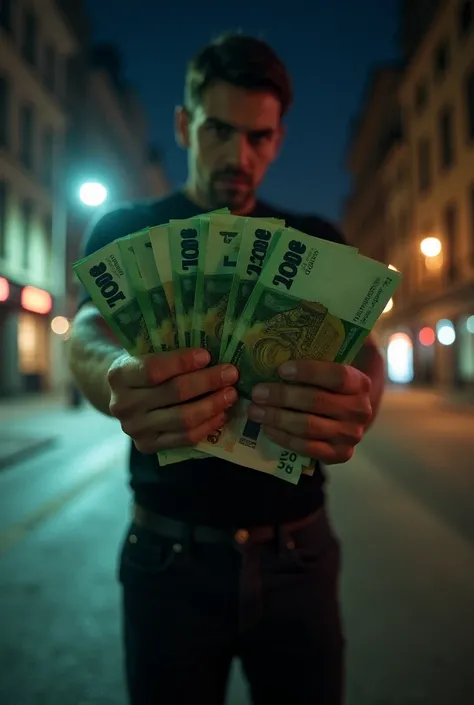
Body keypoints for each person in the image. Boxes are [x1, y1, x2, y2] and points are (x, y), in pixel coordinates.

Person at [69, 33, 384, 705]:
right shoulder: (125, 229)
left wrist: (364, 395)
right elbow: (89, 330)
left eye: (260, 138)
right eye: (219, 129)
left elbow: (365, 350)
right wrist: (118, 370)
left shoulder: (317, 239)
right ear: (185, 123)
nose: (239, 157)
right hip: (167, 560)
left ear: (278, 137)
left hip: (298, 552)